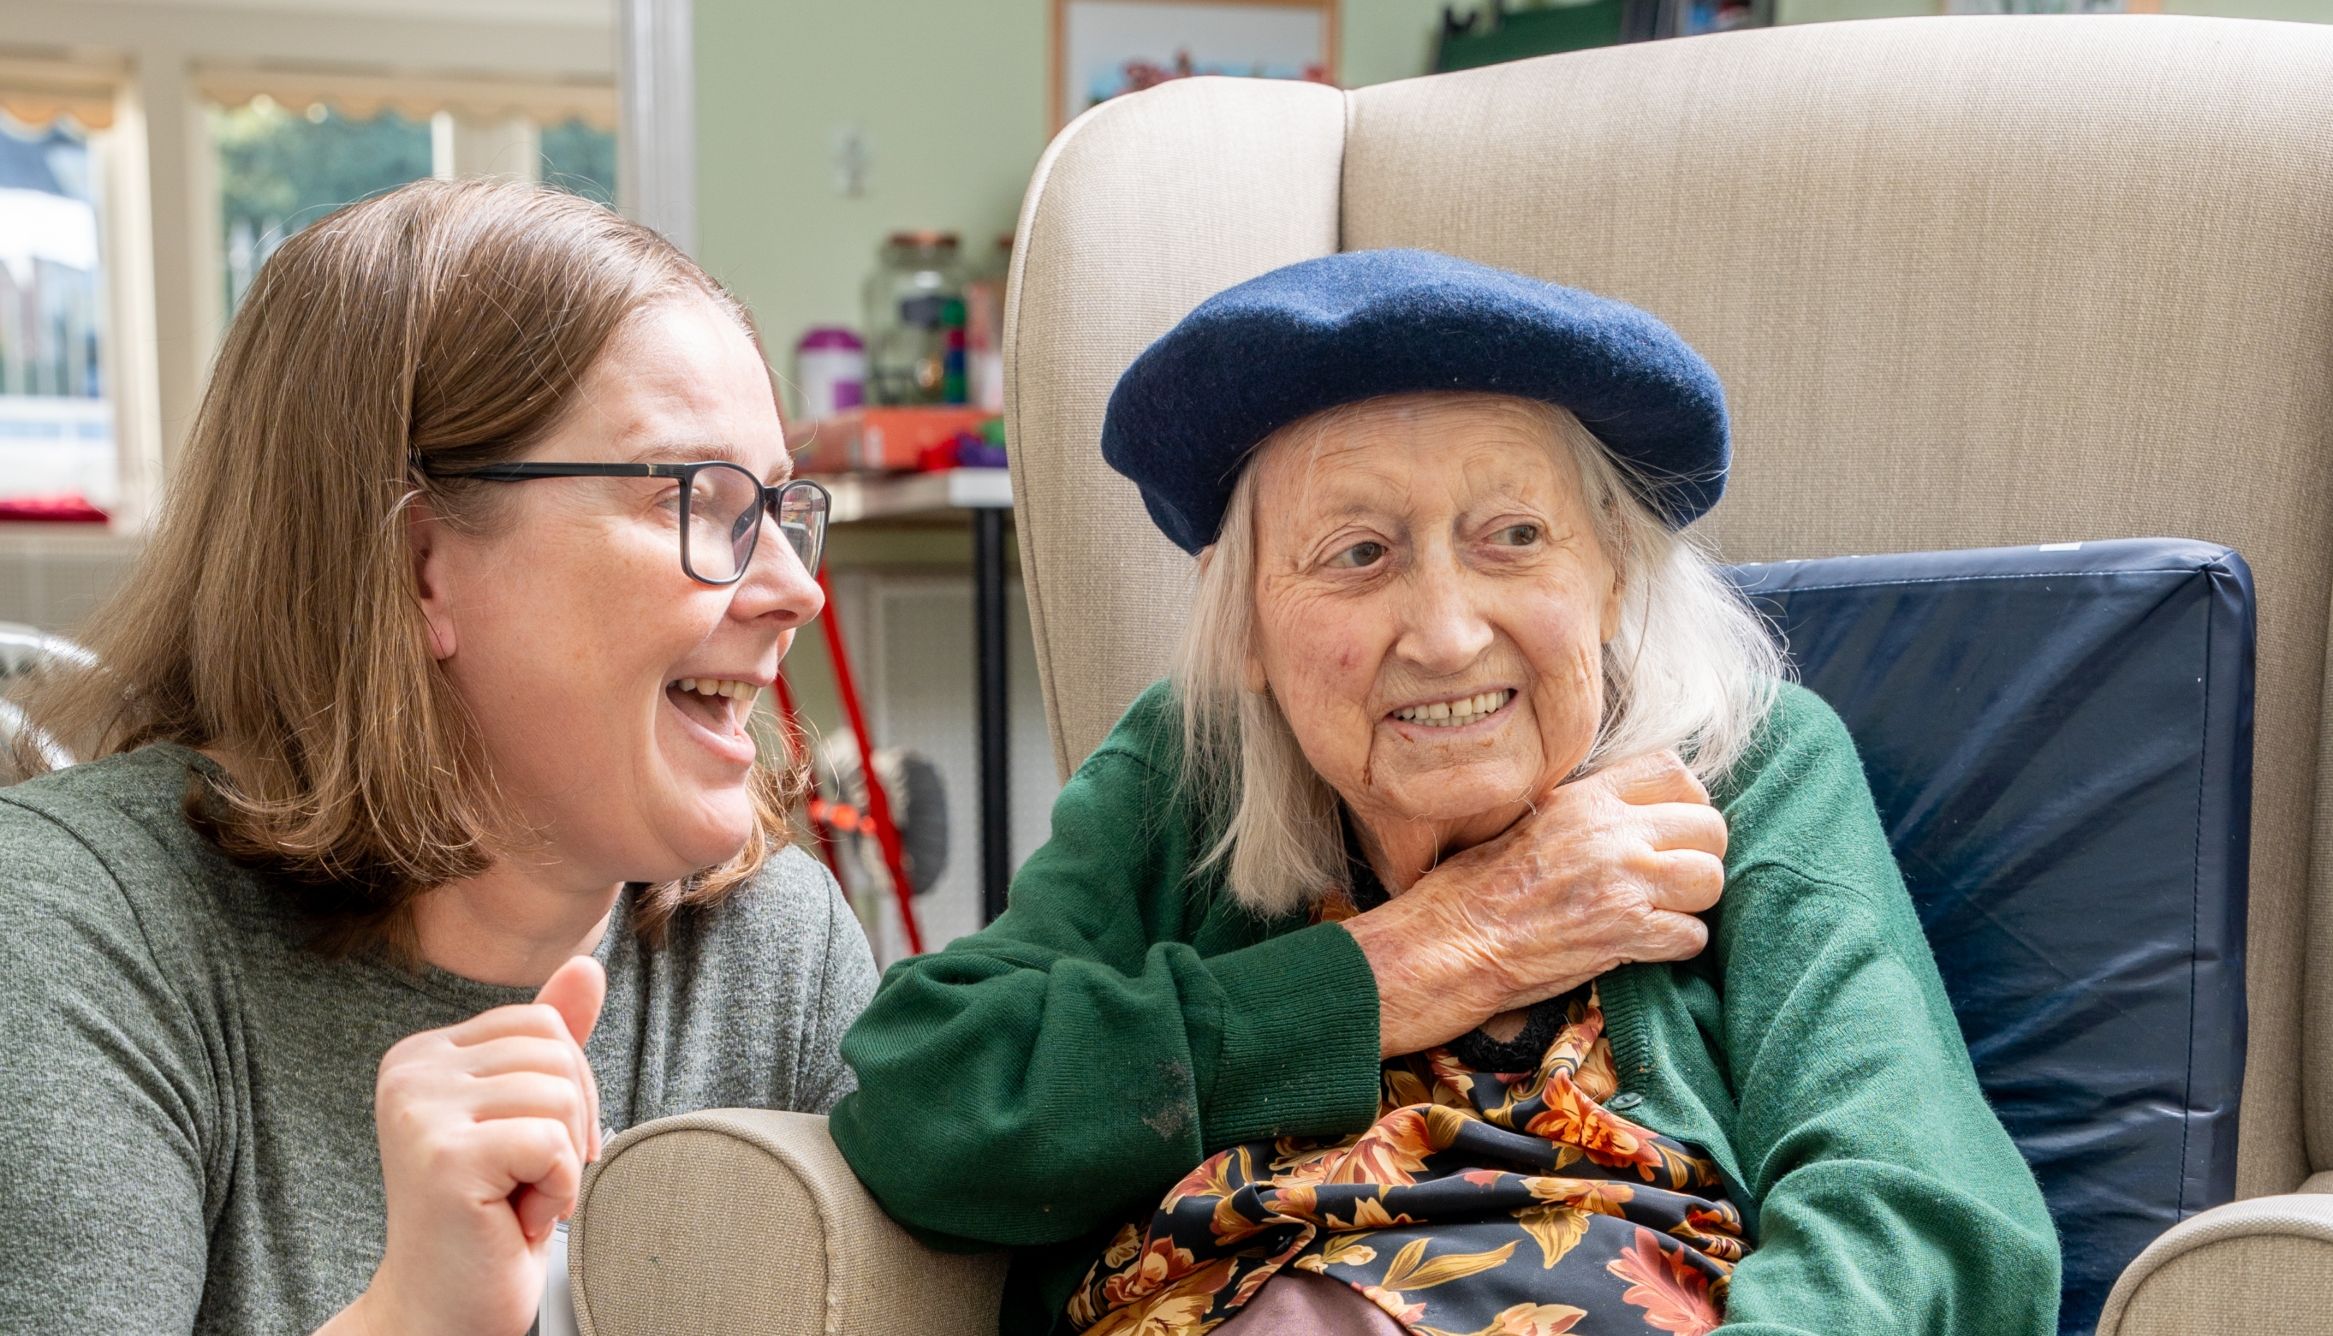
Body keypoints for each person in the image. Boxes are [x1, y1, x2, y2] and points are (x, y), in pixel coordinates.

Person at [831, 250, 2060, 1335]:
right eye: (1357, 553)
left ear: (1614, 576)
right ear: (1246, 621)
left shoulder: (1751, 766)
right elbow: (924, 1102)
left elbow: (1923, 1209)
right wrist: (1410, 960)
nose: (1444, 629)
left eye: (1511, 536)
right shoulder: (1191, 767)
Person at [0, 178, 877, 1335]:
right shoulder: (71, 929)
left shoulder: (775, 951)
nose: (795, 589)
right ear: (421, 565)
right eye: (700, 500)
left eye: (777, 505)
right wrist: (411, 1317)